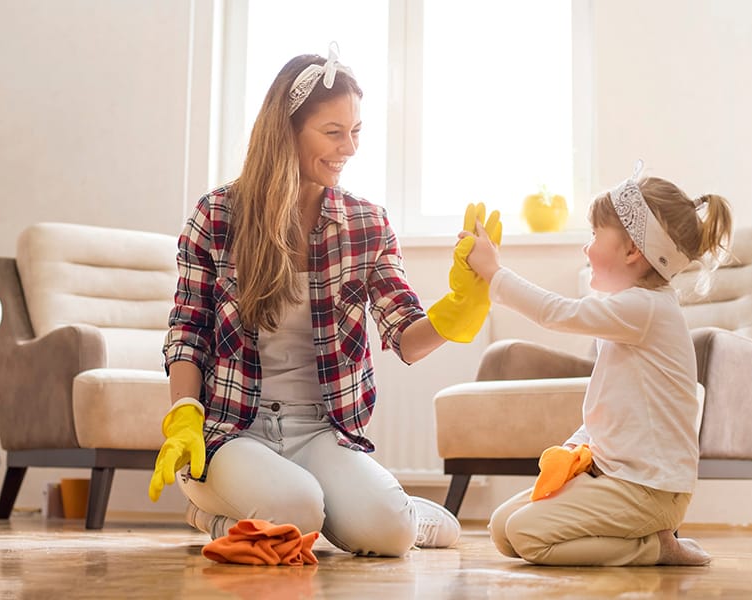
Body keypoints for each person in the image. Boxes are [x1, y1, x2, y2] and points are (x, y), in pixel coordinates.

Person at [147, 43, 500, 558]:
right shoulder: (218, 214)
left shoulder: (366, 222)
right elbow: (188, 331)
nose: (349, 148)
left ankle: (392, 516)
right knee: (298, 509)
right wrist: (183, 414)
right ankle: (212, 512)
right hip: (233, 428)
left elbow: (406, 335)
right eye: (333, 133)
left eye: (355, 131)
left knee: (390, 536)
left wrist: (461, 304)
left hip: (320, 429)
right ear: (286, 130)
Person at [464, 161, 732, 566]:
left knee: (526, 535)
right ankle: (642, 538)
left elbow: (558, 313)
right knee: (504, 528)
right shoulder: (630, 315)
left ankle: (653, 547)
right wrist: (576, 448)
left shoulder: (645, 308)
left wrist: (494, 274)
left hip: (648, 489)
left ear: (631, 250)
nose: (586, 248)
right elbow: (614, 405)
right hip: (614, 476)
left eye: (594, 235)